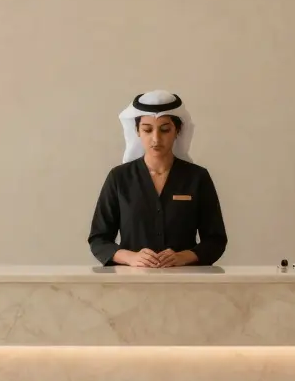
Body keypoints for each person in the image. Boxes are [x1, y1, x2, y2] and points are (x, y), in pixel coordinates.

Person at [88, 90, 228, 267]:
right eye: (147, 129)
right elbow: (99, 240)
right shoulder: (119, 178)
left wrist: (183, 256)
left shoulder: (197, 178)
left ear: (177, 130)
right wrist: (131, 257)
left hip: (187, 285)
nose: (156, 138)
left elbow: (215, 241)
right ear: (137, 131)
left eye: (165, 129)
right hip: (130, 285)